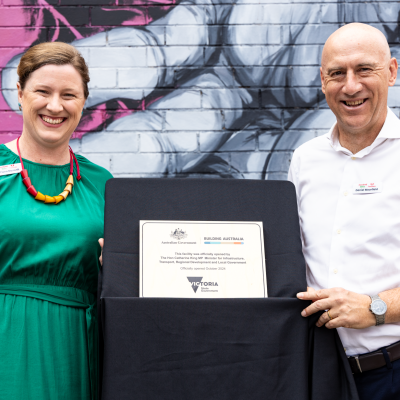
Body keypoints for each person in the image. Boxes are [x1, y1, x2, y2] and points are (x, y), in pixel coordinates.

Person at [288, 23, 400, 399]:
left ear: (392, 71)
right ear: (323, 81)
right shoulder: (305, 160)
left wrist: (375, 308)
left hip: (393, 372)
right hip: (318, 370)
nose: (350, 86)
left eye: (364, 69)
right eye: (337, 73)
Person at [0, 42, 112, 400]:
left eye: (69, 94)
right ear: (19, 93)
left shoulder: (102, 183)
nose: (55, 106)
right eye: (42, 92)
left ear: (83, 101)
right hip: (7, 340)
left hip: (77, 345)